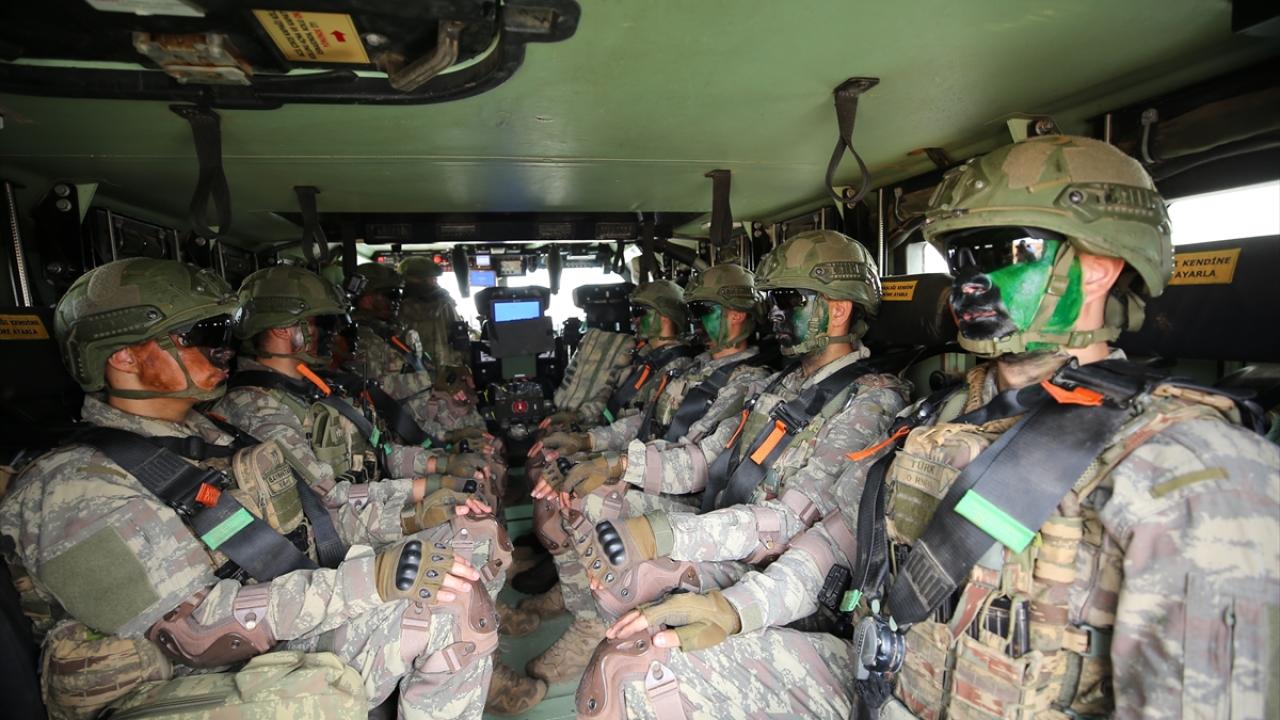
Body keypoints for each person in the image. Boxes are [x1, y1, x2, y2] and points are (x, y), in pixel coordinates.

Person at [578, 135, 1279, 720]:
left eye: (1003, 252)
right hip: (876, 686)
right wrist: (736, 610)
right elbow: (838, 541)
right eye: (960, 257)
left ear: (1100, 268)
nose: (968, 282)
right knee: (634, 675)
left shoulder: (1191, 465)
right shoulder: (940, 419)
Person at [0, 258, 496, 719]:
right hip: (192, 681)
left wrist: (418, 515)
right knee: (449, 609)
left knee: (465, 547)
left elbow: (318, 523)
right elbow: (194, 633)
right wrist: (374, 581)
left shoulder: (212, 436)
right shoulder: (75, 488)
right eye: (201, 335)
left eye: (225, 330)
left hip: (274, 625)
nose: (224, 349)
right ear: (124, 357)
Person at [567, 230, 910, 705]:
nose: (774, 314)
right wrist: (618, 464)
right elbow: (709, 459)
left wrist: (669, 535)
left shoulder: (869, 403)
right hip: (733, 534)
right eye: (772, 301)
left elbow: (794, 521)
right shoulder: (780, 384)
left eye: (789, 300)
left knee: (630, 659)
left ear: (838, 310)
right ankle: (592, 628)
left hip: (784, 570)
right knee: (608, 545)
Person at [214, 263, 544, 714]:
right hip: (338, 542)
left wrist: (439, 470)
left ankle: (485, 628)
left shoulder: (313, 388)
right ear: (278, 328)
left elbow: (380, 451)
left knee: (475, 515)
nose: (326, 334)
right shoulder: (259, 407)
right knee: (463, 538)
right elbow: (330, 504)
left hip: (367, 507)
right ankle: (478, 651)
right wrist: (417, 505)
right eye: (316, 323)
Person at [518, 265, 774, 684]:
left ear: (737, 315)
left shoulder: (748, 382)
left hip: (691, 498)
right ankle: (576, 596)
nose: (695, 321)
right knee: (567, 484)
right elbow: (643, 424)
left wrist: (618, 467)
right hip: (653, 469)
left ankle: (591, 623)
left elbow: (698, 463)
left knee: (585, 497)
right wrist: (587, 442)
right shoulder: (694, 367)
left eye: (704, 310)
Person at [397, 256, 468, 375]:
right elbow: (461, 341)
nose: (435, 281)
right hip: (445, 373)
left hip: (411, 376)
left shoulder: (397, 306)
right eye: (433, 278)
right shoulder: (446, 305)